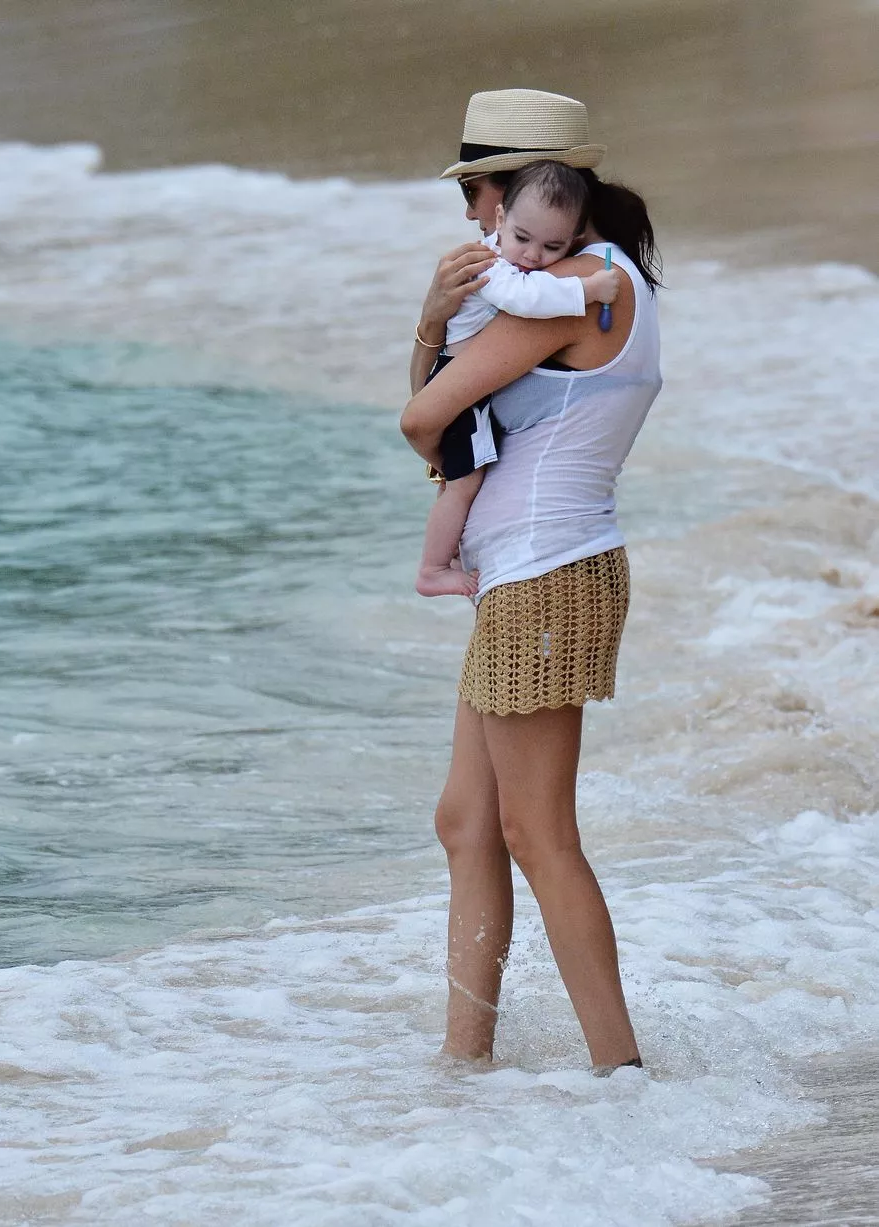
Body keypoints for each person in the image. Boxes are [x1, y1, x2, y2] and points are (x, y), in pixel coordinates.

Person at [400, 88, 663, 1074]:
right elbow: (442, 422)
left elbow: (423, 421)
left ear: (522, 188)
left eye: (480, 194)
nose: (474, 220)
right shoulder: (590, 274)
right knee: (467, 820)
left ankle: (622, 1074)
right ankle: (464, 1064)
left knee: (538, 830)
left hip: (548, 576)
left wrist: (432, 318)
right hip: (532, 575)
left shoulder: (576, 285)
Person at [416, 160, 621, 598]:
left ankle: (444, 556)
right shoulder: (491, 262)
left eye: (552, 247)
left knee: (458, 481)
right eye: (523, 239)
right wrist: (588, 290)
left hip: (465, 383)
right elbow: (525, 299)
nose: (531, 256)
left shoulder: (512, 249)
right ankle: (432, 569)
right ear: (503, 218)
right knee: (463, 482)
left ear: (576, 238)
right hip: (461, 382)